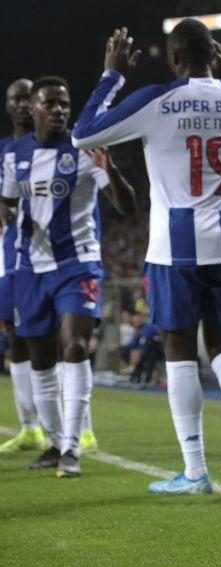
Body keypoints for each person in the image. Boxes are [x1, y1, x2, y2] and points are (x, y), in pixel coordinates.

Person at [72, 21, 221, 497]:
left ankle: (195, 471)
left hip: (173, 249)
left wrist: (111, 76)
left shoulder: (157, 100)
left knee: (178, 350)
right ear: (215, 53)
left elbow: (84, 135)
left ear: (173, 59)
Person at [1, 76, 137, 477]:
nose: (59, 110)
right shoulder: (14, 156)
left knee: (75, 347)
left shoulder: (82, 149)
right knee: (40, 361)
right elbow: (8, 199)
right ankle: (54, 442)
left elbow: (127, 206)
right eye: (51, 104)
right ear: (34, 109)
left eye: (65, 103)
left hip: (77, 265)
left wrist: (109, 168)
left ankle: (73, 449)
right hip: (30, 269)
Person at [0, 78, 47, 455]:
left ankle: (75, 428)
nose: (20, 105)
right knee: (15, 339)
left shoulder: (52, 146)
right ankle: (29, 426)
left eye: (25, 99)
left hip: (48, 257)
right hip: (10, 257)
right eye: (14, 99)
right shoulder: (3, 151)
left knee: (52, 339)